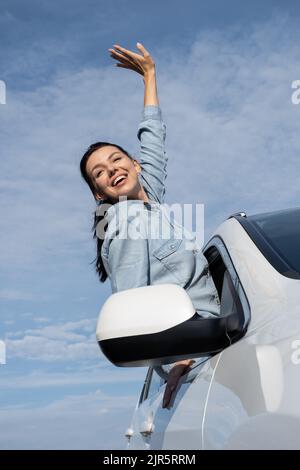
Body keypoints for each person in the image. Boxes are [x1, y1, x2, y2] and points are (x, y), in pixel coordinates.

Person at [80, 42, 221, 409]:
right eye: (100, 173)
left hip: (219, 339)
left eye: (116, 159)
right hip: (196, 354)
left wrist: (149, 76)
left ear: (136, 166)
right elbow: (134, 315)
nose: (112, 169)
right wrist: (180, 360)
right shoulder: (126, 221)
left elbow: (153, 140)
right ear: (99, 195)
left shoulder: (149, 205)